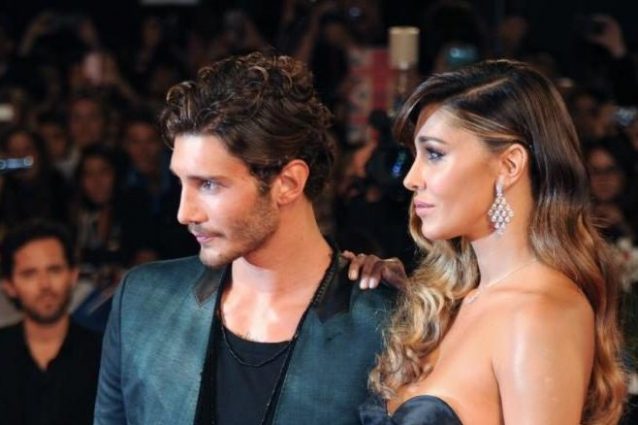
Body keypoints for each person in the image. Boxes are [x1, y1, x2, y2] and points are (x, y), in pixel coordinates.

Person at [94, 52, 395, 425]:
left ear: (288, 183)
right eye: (181, 182)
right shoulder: (143, 300)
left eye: (208, 184)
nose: (185, 213)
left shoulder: (383, 325)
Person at [357, 60, 627, 424]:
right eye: (416, 156)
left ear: (509, 165)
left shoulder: (539, 314)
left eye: (434, 154)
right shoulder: (457, 302)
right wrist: (386, 294)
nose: (411, 178)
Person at [0, 220, 102, 424]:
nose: (45, 285)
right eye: (29, 274)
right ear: (9, 285)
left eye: (54, 270)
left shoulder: (106, 354)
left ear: (73, 275)